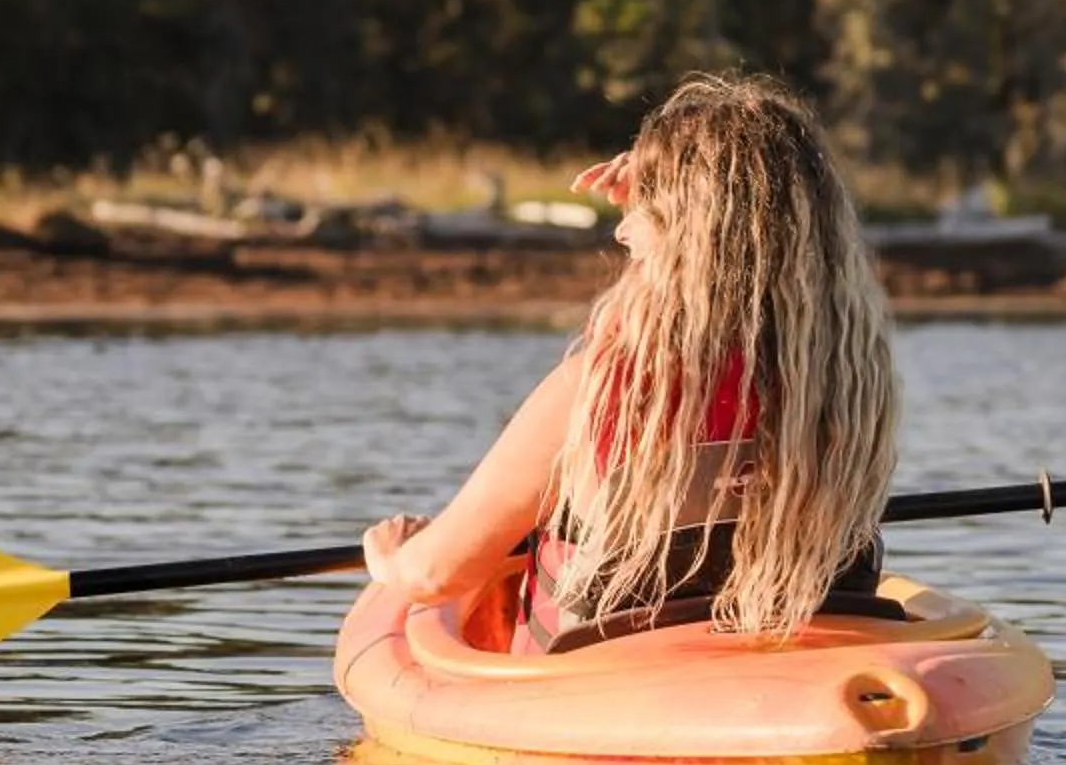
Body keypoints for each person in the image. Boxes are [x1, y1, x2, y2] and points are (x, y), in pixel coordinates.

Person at [359, 74, 901, 652]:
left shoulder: (596, 386)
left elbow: (438, 575)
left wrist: (392, 557)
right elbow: (735, 274)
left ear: (682, 235)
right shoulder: (850, 376)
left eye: (642, 212)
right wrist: (673, 192)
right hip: (791, 659)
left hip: (612, 676)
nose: (621, 231)